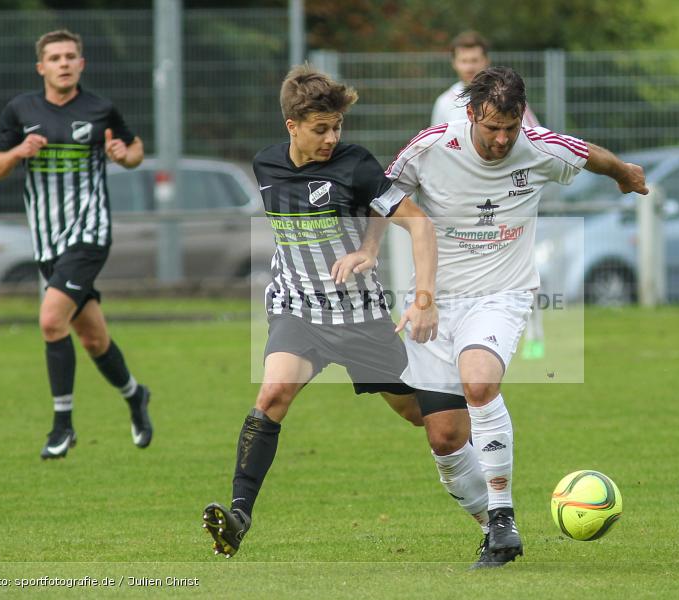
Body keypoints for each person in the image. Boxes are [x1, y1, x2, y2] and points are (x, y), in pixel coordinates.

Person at [386, 66, 648, 568]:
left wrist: (624, 174)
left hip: (501, 295)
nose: (503, 139)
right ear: (470, 115)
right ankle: (495, 532)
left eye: (510, 127)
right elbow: (381, 194)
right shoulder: (431, 146)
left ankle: (503, 514)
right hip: (435, 302)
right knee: (443, 435)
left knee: (479, 381)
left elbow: (590, 154)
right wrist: (373, 247)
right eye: (492, 128)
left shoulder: (538, 145)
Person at [201, 65, 438, 559]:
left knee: (419, 415)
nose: (332, 138)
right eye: (321, 129)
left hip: (359, 316)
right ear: (292, 126)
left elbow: (416, 222)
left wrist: (399, 278)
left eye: (337, 127)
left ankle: (481, 421)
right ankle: (239, 515)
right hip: (297, 310)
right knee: (273, 394)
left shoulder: (356, 164)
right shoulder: (266, 165)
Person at [0, 29, 152, 460]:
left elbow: (135, 149)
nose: (63, 63)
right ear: (41, 67)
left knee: (49, 320)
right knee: (93, 338)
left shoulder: (99, 109)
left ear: (81, 64)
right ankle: (135, 395)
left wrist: (124, 156)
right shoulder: (20, 110)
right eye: (55, 58)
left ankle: (62, 426)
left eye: (70, 56)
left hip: (89, 234)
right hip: (47, 242)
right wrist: (18, 152)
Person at [431, 31, 545, 359]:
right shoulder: (445, 103)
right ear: (454, 63)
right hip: (464, 203)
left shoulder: (508, 101)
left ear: (486, 61)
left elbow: (536, 140)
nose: (469, 66)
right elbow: (435, 147)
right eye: (464, 60)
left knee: (519, 267)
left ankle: (534, 335)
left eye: (475, 59)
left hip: (506, 199)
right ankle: (464, 332)